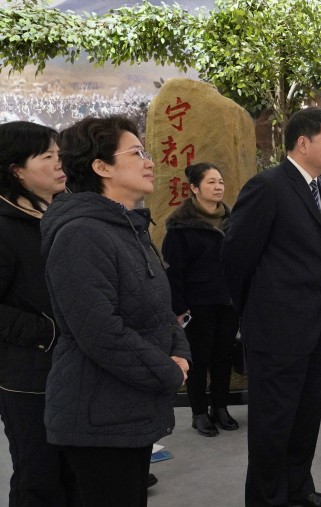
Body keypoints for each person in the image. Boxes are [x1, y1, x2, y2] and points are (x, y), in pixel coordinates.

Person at [42, 116, 191, 506]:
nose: (149, 162)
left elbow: (161, 308)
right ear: (101, 166)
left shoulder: (127, 227)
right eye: (136, 153)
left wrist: (180, 353)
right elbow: (100, 331)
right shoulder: (81, 234)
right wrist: (167, 371)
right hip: (98, 414)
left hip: (129, 406)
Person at [222, 107, 321, 507]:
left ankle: (298, 490)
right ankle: (267, 499)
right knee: (272, 426)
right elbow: (235, 257)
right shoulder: (267, 186)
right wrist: (256, 311)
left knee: (305, 420)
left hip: (314, 328)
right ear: (302, 143)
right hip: (275, 332)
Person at [0, 121, 73, 506]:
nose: (60, 163)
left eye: (59, 154)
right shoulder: (4, 225)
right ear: (16, 169)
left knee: (74, 474)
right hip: (28, 375)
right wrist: (48, 334)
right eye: (47, 156)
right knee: (39, 478)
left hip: (73, 369)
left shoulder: (62, 212)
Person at [162, 162, 239, 438]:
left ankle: (220, 407)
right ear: (194, 188)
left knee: (223, 357)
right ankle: (199, 413)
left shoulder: (233, 221)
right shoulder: (180, 227)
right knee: (198, 359)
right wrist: (179, 309)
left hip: (228, 303)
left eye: (220, 182)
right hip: (197, 306)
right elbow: (173, 274)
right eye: (211, 182)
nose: (218, 187)